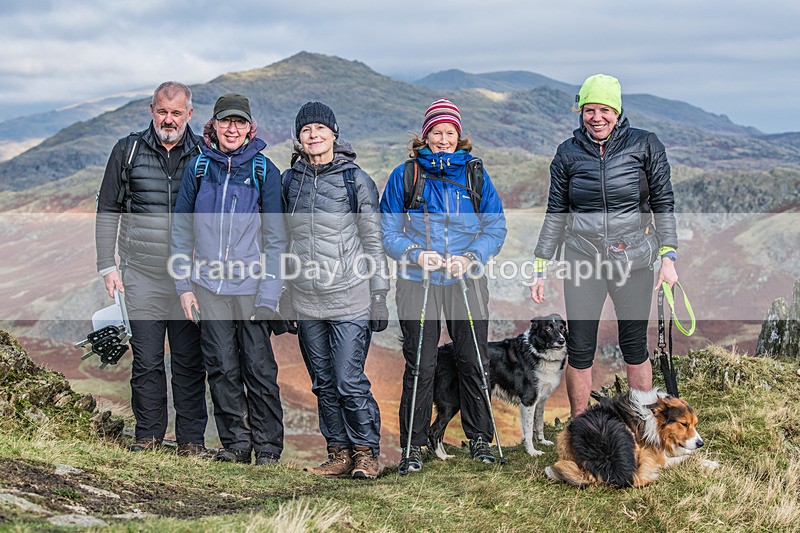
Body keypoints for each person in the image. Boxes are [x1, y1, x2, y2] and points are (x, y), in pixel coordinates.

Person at [530, 74, 679, 418]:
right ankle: (580, 426)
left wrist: (668, 255)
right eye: (589, 110)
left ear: (617, 110)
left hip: (635, 259)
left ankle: (643, 423)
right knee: (580, 348)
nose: (596, 117)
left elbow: (663, 201)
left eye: (604, 109)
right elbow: (557, 211)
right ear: (581, 112)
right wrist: (540, 266)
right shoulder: (567, 153)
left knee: (634, 345)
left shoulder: (645, 145)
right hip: (583, 259)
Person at [380, 98, 507, 474]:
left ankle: (480, 439)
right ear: (425, 135)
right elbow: (388, 230)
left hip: (465, 280)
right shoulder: (406, 175)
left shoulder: (475, 174)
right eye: (437, 131)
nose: (444, 138)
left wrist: (470, 258)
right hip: (417, 281)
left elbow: (495, 227)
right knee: (421, 363)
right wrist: (416, 254)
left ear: (459, 136)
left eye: (450, 132)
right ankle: (413, 446)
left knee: (473, 360)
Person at [170, 93, 289, 465]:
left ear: (250, 127)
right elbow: (180, 231)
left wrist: (269, 294)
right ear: (214, 126)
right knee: (221, 366)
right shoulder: (199, 168)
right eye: (225, 121)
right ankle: (236, 445)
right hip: (209, 288)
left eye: (239, 122)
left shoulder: (264, 171)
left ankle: (268, 448)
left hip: (253, 288)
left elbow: (276, 237)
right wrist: (184, 287)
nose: (232, 128)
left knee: (259, 368)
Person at [95, 81, 208, 456]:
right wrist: (105, 266)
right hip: (139, 275)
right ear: (152, 110)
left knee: (189, 362)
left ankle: (191, 442)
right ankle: (148, 437)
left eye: (177, 113)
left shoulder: (205, 155)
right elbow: (108, 209)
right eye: (163, 111)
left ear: (189, 115)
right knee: (146, 361)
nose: (169, 119)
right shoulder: (126, 151)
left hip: (188, 281)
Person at [281, 101, 390, 480]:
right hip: (307, 300)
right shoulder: (288, 181)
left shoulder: (355, 180)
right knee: (323, 382)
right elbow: (282, 241)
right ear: (299, 137)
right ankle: (339, 453)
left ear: (334, 134)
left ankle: (366, 453)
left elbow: (372, 240)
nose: (314, 135)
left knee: (348, 379)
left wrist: (379, 296)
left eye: (320, 129)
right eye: (307, 130)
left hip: (350, 297)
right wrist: (284, 294)